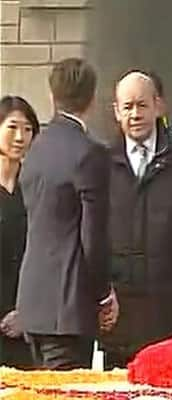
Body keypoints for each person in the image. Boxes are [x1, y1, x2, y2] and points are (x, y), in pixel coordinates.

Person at [99, 71, 172, 368]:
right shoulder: (100, 160)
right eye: (127, 107)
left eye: (142, 105)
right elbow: (94, 230)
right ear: (116, 111)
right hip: (122, 306)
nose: (135, 115)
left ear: (159, 106)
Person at [16, 58, 117, 370]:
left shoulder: (35, 150)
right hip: (69, 305)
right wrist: (104, 294)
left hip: (33, 302)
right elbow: (93, 236)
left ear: (53, 95)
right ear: (91, 97)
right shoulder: (91, 153)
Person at [0, 96, 40, 369]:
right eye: (12, 127)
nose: (20, 137)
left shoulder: (35, 185)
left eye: (28, 129)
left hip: (27, 323)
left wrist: (25, 312)